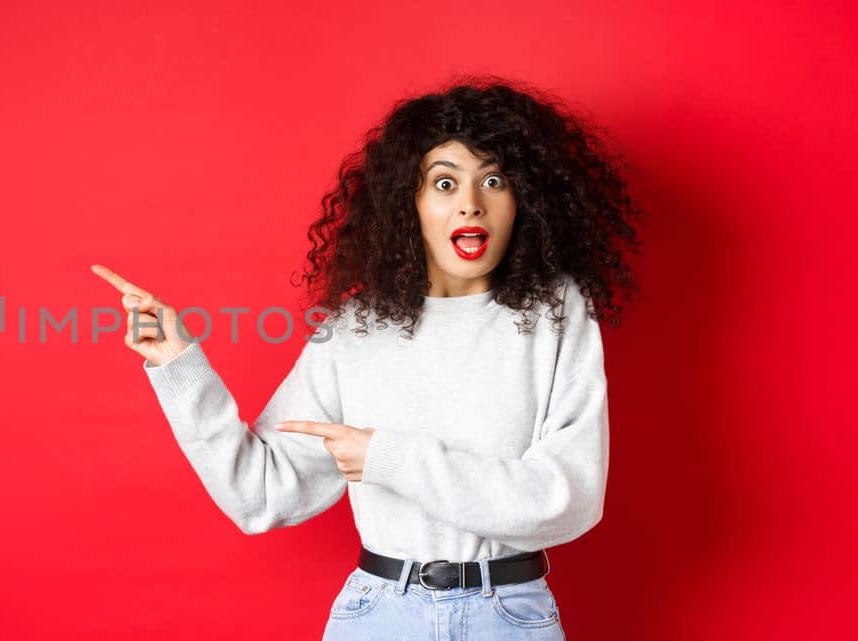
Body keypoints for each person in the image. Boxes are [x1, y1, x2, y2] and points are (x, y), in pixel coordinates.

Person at [90, 76, 642, 640]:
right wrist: (180, 366)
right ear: (410, 203)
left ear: (524, 199)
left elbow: (566, 500)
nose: (470, 204)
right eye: (444, 184)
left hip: (509, 616)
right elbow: (258, 496)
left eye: (493, 181)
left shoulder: (555, 313)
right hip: (381, 617)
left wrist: (388, 459)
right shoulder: (355, 331)